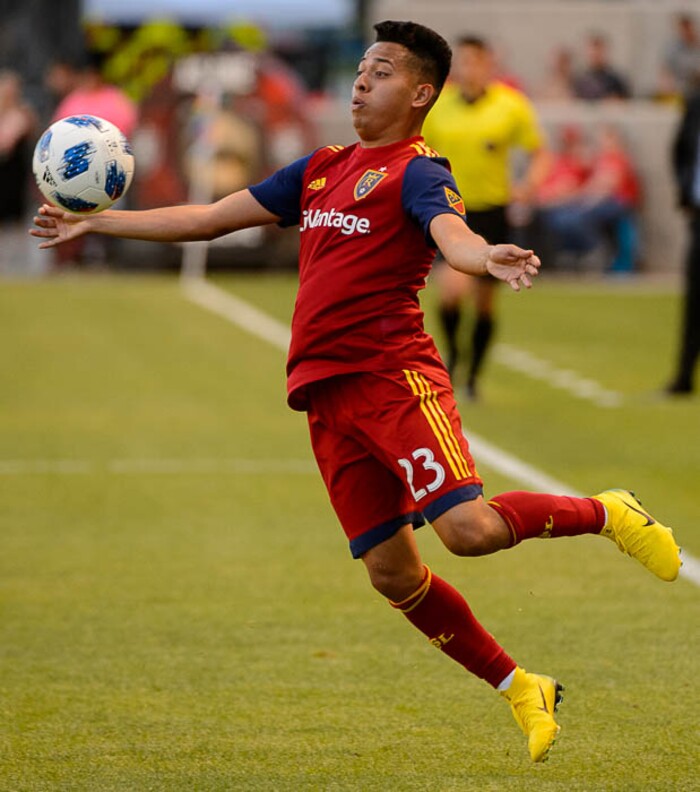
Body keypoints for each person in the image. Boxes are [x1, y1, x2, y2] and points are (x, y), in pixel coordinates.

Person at [30, 20, 681, 764]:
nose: (361, 82)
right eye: (361, 70)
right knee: (392, 573)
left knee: (466, 534)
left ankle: (608, 512)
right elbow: (210, 218)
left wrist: (483, 257)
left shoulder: (419, 171)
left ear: (421, 92)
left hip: (392, 378)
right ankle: (520, 685)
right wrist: (98, 220)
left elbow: (450, 235)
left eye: (380, 72)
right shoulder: (321, 166)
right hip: (327, 398)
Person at [422, 35, 549, 399]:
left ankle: (474, 374)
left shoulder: (511, 106)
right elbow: (418, 151)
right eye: (462, 62)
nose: (468, 69)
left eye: (475, 62)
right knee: (449, 292)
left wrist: (528, 185)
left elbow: (539, 153)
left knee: (485, 301)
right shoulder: (440, 107)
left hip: (493, 211)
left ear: (488, 64)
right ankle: (454, 356)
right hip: (451, 210)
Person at [539, 125, 641, 273]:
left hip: (618, 204)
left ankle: (593, 252)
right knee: (563, 219)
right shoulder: (594, 160)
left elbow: (604, 186)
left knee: (576, 219)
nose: (603, 144)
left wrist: (581, 201)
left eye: (607, 139)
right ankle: (578, 254)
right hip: (594, 204)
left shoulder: (616, 158)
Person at [668, 77, 700, 395]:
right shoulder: (695, 103)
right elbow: (680, 150)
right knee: (694, 298)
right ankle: (684, 377)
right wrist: (686, 191)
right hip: (698, 215)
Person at [572, 33, 630, 102]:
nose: (596, 54)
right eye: (593, 50)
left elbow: (626, 101)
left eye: (599, 50)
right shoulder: (579, 81)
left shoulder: (616, 80)